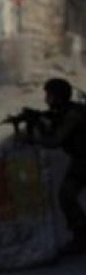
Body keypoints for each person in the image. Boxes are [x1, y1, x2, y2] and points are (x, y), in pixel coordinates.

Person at [26, 78, 86, 252]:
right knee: (66, 196)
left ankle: (81, 237)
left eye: (49, 95)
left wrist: (33, 138)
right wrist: (39, 121)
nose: (46, 100)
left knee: (67, 195)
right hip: (81, 160)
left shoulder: (73, 114)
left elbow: (55, 141)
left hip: (84, 160)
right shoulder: (64, 112)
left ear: (58, 97)